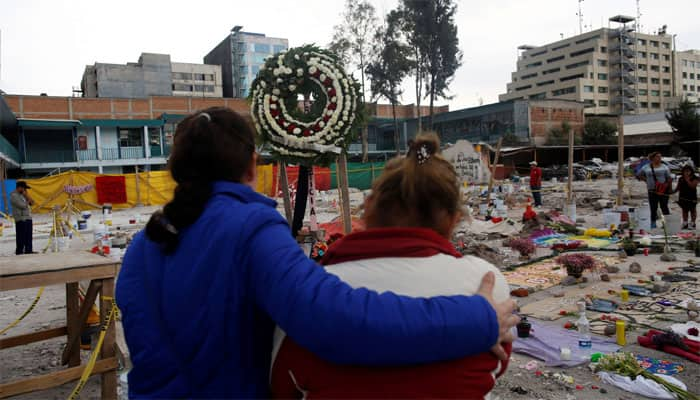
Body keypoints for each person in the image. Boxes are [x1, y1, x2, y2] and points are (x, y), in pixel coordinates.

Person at [115, 108, 518, 398]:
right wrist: (475, 317)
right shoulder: (251, 230)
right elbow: (340, 322)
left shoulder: (141, 248)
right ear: (254, 164)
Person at [271, 133, 512, 398]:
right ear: (455, 219)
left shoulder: (312, 295)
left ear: (369, 207)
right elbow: (497, 366)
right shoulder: (488, 288)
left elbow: (283, 382)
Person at [637, 152, 672, 229]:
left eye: (660, 157)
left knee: (664, 206)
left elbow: (669, 178)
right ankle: (653, 224)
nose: (659, 158)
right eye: (657, 157)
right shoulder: (646, 167)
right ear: (652, 158)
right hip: (652, 190)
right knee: (653, 207)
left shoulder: (664, 167)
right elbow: (639, 175)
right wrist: (646, 180)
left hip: (663, 190)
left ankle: (667, 224)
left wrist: (667, 187)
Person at [10, 181, 35, 255]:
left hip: (28, 217)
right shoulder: (13, 195)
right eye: (24, 189)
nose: (25, 190)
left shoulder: (24, 195)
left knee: (29, 236)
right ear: (19, 188)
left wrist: (27, 196)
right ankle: (19, 251)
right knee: (21, 236)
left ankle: (29, 250)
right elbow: (22, 206)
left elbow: (32, 203)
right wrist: (27, 200)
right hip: (20, 218)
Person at [675, 165, 698, 230]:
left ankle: (692, 223)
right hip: (682, 197)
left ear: (691, 171)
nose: (687, 172)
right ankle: (685, 223)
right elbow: (678, 188)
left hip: (692, 197)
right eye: (685, 171)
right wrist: (671, 192)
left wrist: (688, 180)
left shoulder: (695, 178)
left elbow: (693, 186)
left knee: (692, 210)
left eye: (688, 171)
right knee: (684, 210)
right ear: (683, 172)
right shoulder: (681, 178)